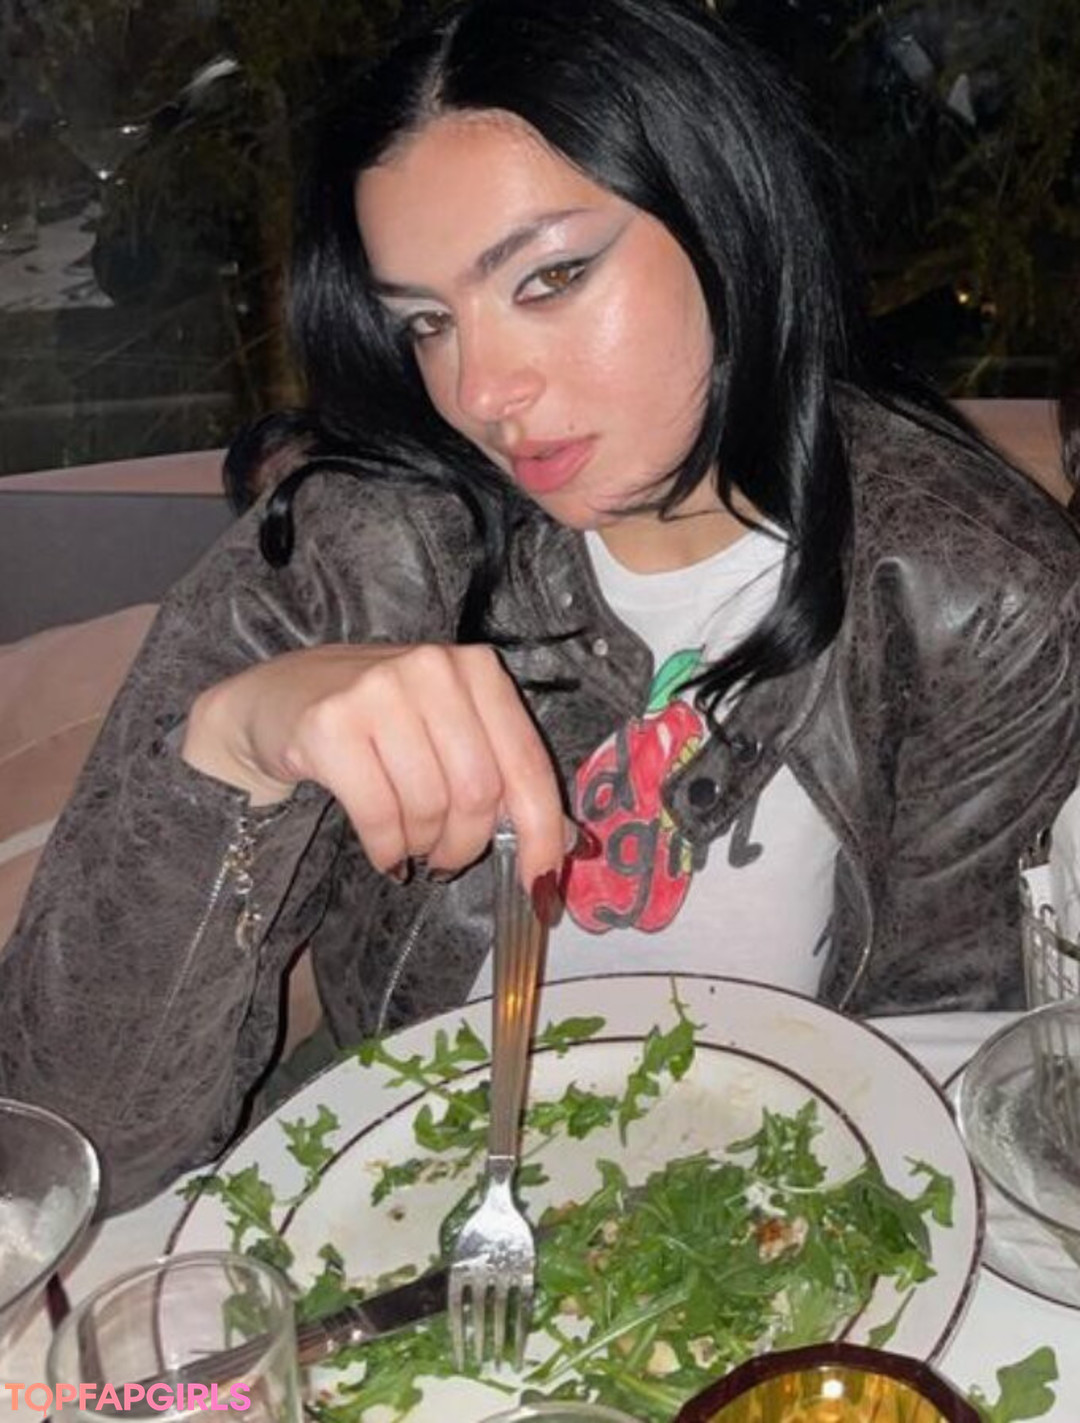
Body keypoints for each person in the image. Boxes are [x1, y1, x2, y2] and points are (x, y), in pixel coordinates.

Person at [3, 0, 1080, 1214]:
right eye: (427, 322)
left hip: (769, 1220)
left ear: (724, 218)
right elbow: (64, 1153)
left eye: (551, 278)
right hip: (390, 1202)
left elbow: (942, 1102)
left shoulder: (975, 596)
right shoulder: (359, 552)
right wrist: (236, 747)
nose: (482, 391)